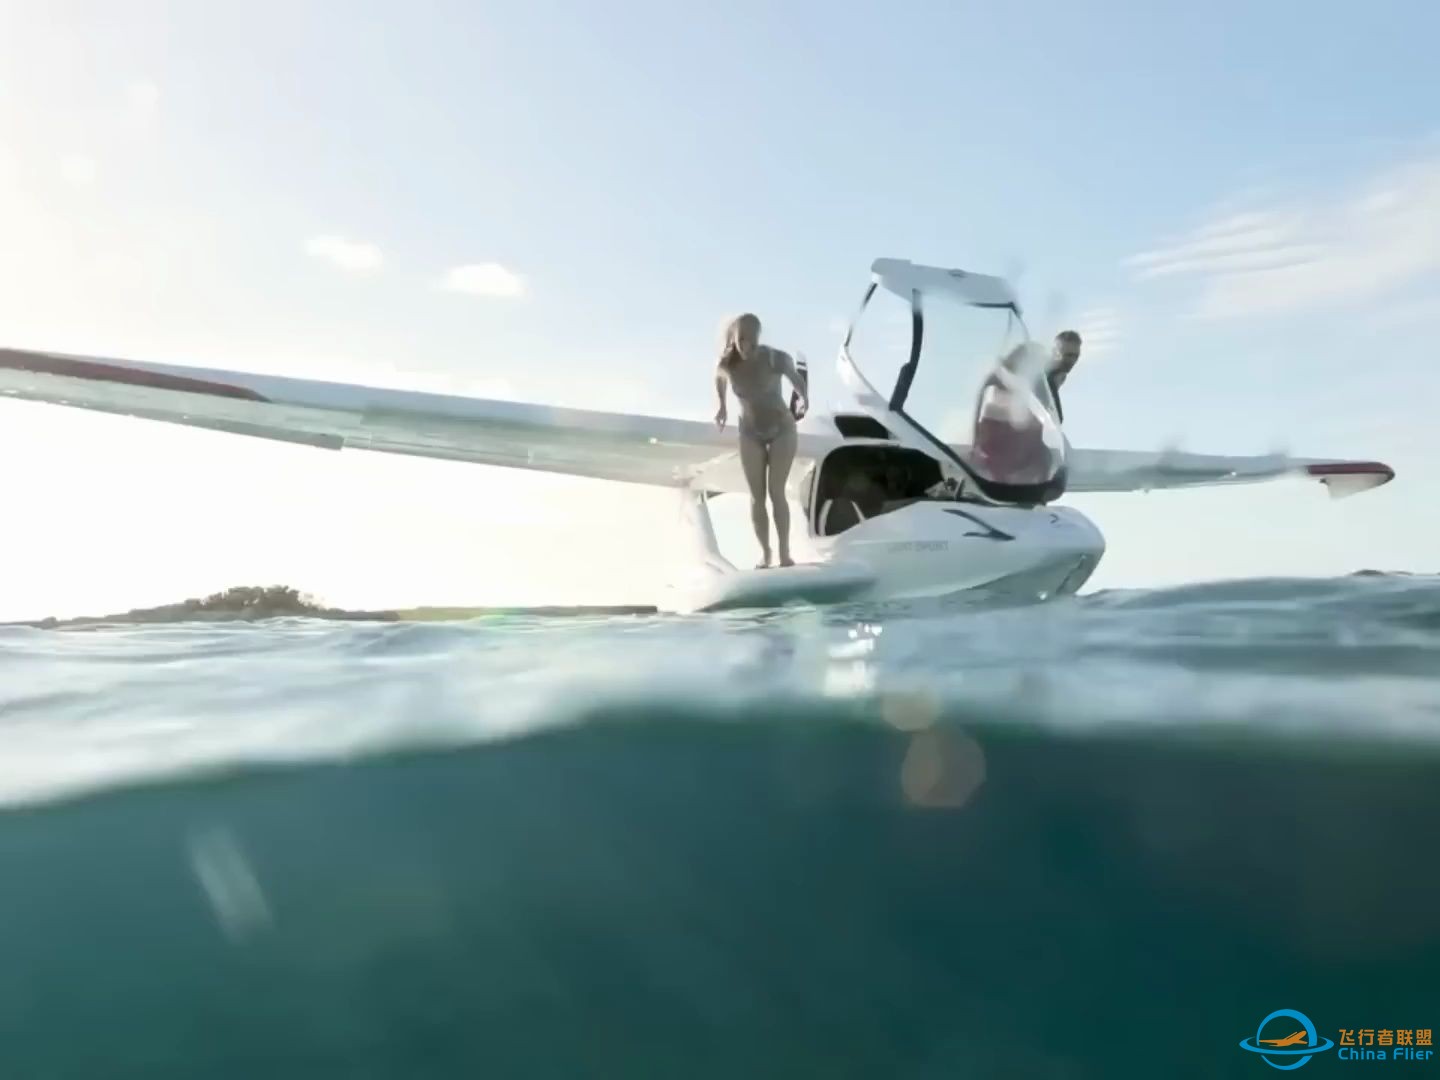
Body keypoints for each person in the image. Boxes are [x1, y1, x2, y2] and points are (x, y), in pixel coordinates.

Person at [713, 313, 809, 568]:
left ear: (759, 340)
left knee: (776, 491)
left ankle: (785, 553)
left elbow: (795, 378)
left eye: (752, 343)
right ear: (734, 339)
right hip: (750, 432)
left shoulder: (773, 358)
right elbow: (720, 379)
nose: (747, 348)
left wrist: (804, 396)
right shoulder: (727, 363)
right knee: (757, 496)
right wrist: (721, 406)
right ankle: (766, 554)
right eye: (741, 341)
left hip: (782, 429)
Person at [1048, 330, 1082, 423]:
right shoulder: (1039, 364)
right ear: (1056, 352)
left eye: (1076, 356)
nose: (1072, 361)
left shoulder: (1060, 375)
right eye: (1069, 355)